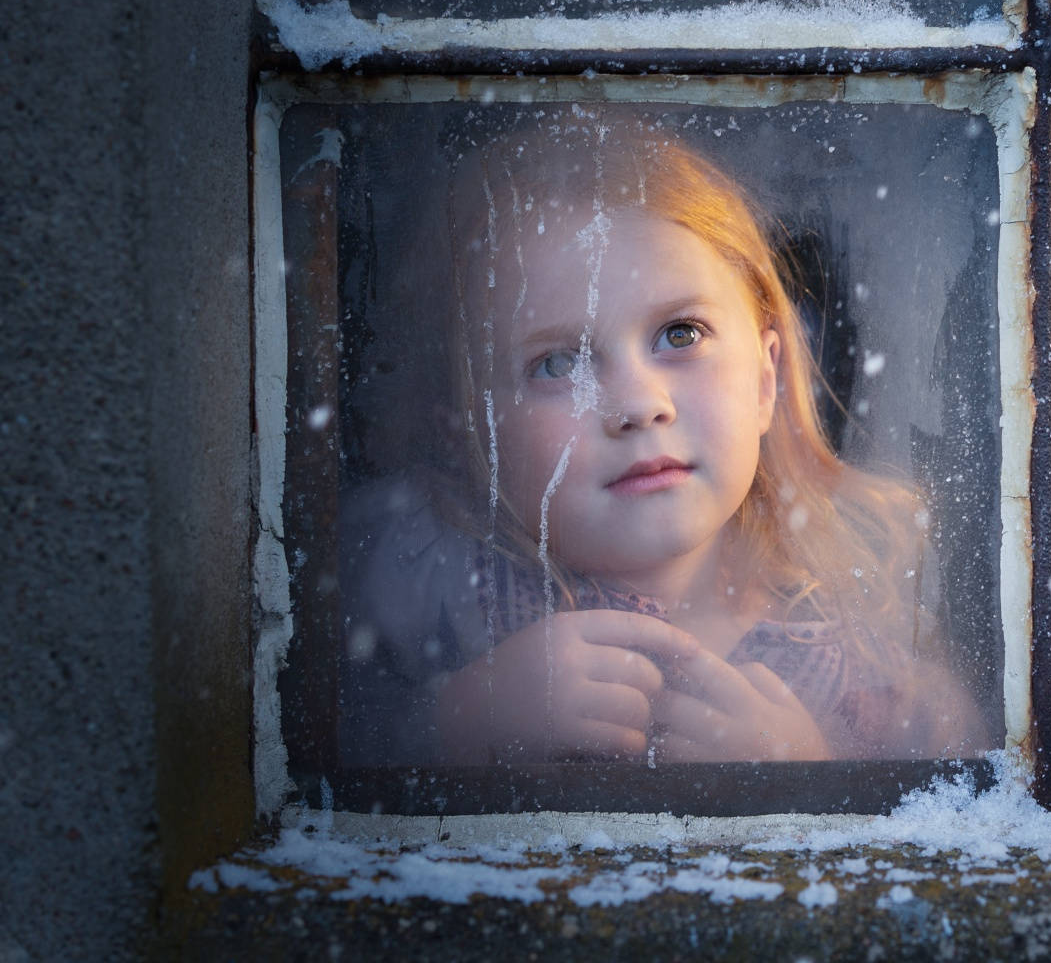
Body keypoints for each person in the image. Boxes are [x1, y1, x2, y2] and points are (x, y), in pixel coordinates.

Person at [338, 115, 984, 767]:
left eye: (681, 334)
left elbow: (962, 830)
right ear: (471, 429)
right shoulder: (414, 576)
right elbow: (277, 749)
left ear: (766, 379)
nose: (639, 406)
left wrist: (803, 771)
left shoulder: (879, 679)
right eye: (557, 364)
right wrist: (454, 723)